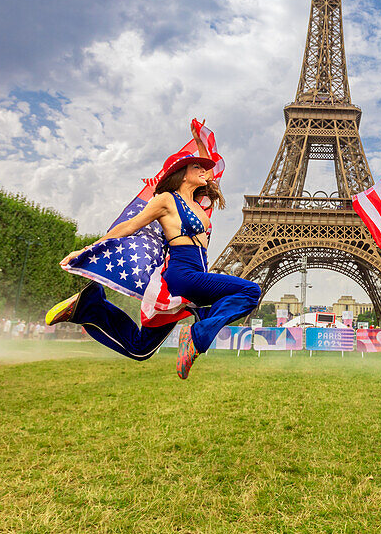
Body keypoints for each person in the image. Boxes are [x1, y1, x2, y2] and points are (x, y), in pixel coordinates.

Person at [47, 120, 260, 379]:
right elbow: (128, 227)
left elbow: (211, 171)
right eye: (196, 167)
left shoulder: (200, 204)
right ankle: (197, 335)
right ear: (181, 174)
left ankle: (87, 306)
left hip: (193, 279)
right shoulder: (167, 200)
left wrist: (201, 143)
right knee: (250, 290)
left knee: (141, 348)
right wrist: (88, 249)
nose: (204, 171)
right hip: (183, 275)